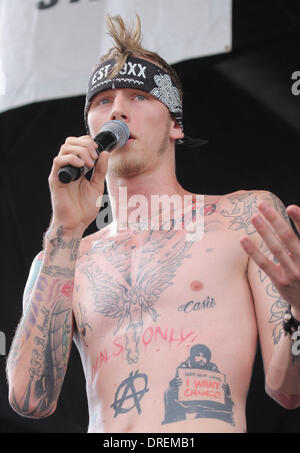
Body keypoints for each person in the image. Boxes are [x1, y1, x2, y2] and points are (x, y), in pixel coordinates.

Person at [6, 14, 300, 433]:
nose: (118, 109)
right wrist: (65, 232)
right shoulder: (63, 256)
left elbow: (288, 389)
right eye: (103, 101)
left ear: (176, 124)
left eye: (138, 96)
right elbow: (29, 399)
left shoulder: (243, 218)